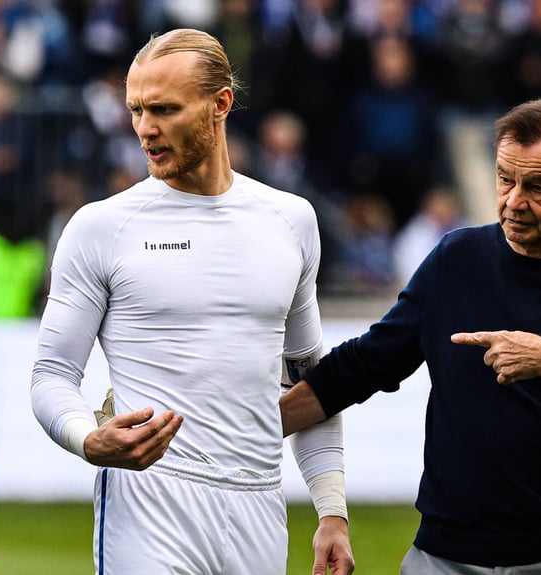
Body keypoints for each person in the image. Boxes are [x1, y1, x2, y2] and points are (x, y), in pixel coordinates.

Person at [281, 97, 541, 573]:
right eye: (505, 179)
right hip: (443, 556)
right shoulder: (456, 258)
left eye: (537, 186)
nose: (513, 201)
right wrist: (243, 429)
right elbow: (362, 366)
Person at [31, 28, 354, 575]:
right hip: (149, 502)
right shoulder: (101, 227)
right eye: (135, 109)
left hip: (260, 504)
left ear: (220, 105)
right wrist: (89, 439)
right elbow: (50, 374)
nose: (144, 129)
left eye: (164, 109)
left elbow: (308, 383)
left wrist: (332, 511)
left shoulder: (291, 219)